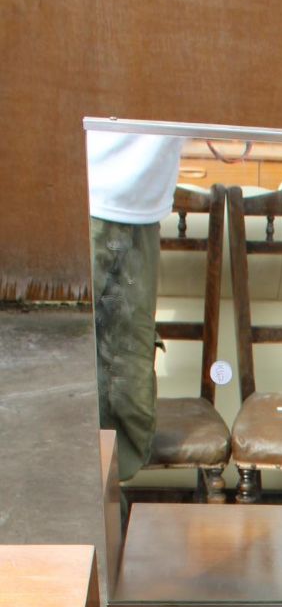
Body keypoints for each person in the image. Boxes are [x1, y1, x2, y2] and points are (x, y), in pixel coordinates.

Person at [87, 130, 184, 479]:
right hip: (88, 199)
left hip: (139, 208)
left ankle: (110, 519)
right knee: (71, 378)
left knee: (126, 376)